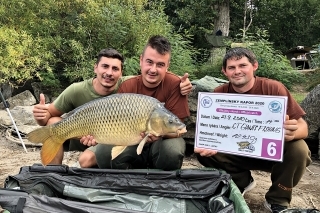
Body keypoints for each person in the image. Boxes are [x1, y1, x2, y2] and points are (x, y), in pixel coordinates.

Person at [194, 47, 311, 213]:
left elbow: (303, 127)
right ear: (224, 71)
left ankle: (278, 200)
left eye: (242, 65)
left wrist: (292, 132)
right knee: (203, 149)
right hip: (237, 151)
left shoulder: (274, 88)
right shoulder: (219, 94)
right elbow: (211, 130)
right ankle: (241, 181)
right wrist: (208, 140)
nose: (237, 71)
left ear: (254, 66)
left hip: (270, 152)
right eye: (231, 68)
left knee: (300, 148)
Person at [33, 47, 192, 167]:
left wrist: (182, 82)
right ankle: (52, 174)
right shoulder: (76, 90)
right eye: (105, 67)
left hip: (109, 136)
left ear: (122, 73)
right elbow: (48, 116)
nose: (109, 73)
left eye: (115, 69)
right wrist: (40, 117)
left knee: (88, 160)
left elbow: (153, 74)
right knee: (54, 125)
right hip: (83, 132)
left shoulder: (127, 85)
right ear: (96, 67)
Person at [80, 35, 190, 171]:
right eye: (149, 62)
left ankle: (160, 181)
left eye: (160, 64)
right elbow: (114, 126)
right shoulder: (127, 86)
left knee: (173, 149)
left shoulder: (176, 85)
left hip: (160, 144)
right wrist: (96, 135)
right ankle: (129, 178)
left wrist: (156, 134)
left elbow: (179, 129)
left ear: (167, 66)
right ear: (141, 60)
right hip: (131, 142)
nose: (153, 69)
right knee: (103, 152)